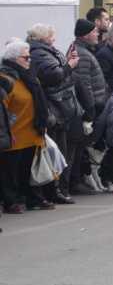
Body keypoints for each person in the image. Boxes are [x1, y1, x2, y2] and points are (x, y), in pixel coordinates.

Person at [28, 23, 84, 204]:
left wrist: (67, 64)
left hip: (61, 106)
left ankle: (57, 190)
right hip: (54, 107)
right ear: (43, 37)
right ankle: (54, 191)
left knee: (60, 152)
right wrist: (70, 65)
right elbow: (55, 75)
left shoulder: (46, 52)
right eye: (52, 35)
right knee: (56, 153)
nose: (54, 38)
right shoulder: (39, 53)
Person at [1, 40, 52, 212]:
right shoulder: (5, 79)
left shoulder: (29, 77)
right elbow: (3, 109)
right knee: (10, 172)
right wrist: (6, 131)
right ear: (14, 59)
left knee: (28, 170)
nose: (29, 60)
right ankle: (11, 201)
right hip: (15, 134)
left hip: (32, 132)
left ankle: (31, 198)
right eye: (26, 57)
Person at [69, 18, 106, 193]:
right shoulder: (82, 54)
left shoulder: (85, 51)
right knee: (81, 147)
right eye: (94, 32)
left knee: (83, 147)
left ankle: (78, 179)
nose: (97, 34)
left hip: (91, 106)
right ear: (85, 35)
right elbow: (84, 84)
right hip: (87, 108)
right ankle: (76, 180)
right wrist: (89, 111)